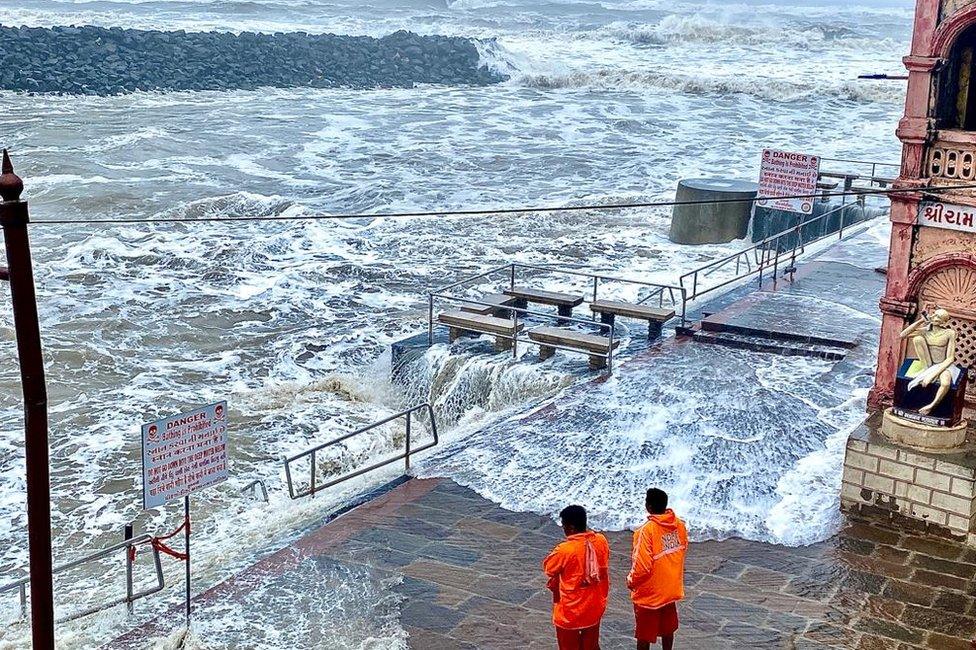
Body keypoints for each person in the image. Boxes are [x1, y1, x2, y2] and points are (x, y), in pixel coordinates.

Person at [542, 505, 611, 650]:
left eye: (564, 526)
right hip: (594, 607)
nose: (564, 530)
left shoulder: (565, 550)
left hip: (570, 613)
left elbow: (549, 568)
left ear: (571, 528)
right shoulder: (601, 541)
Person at [628, 488, 688, 650]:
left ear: (649, 506)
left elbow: (642, 566)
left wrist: (631, 581)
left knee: (644, 635)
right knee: (668, 629)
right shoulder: (680, 526)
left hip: (650, 594)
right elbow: (681, 550)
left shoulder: (646, 531)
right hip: (670, 589)